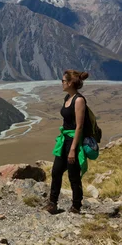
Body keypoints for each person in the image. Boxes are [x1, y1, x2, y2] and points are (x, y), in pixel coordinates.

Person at [44, 70, 90, 214]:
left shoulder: (79, 100)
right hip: (64, 140)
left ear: (70, 83)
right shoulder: (67, 97)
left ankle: (76, 206)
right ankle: (52, 203)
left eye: (63, 81)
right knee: (56, 171)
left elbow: (79, 126)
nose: (62, 83)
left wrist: (73, 149)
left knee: (73, 175)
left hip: (73, 141)